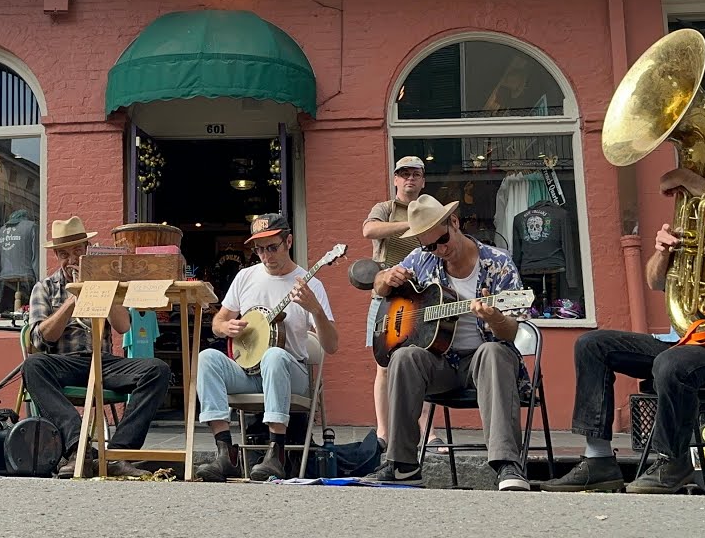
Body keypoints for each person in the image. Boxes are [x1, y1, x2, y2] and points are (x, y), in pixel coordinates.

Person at [541, 156, 705, 494]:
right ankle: (598, 459)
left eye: (703, 183)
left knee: (672, 363)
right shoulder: (694, 225)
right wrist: (663, 252)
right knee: (592, 344)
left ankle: (673, 463)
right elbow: (656, 281)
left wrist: (687, 176)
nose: (693, 192)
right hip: (688, 340)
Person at [363, 195, 531, 491]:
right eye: (429, 246)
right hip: (440, 364)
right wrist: (386, 277)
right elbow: (378, 288)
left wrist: (494, 318)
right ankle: (402, 465)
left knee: (492, 350)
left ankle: (507, 465)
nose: (439, 250)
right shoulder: (421, 260)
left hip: (484, 366)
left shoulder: (498, 263)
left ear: (454, 223)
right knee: (403, 357)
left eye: (442, 240)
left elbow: (510, 332)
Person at [22, 216, 171, 478]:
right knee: (32, 365)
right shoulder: (44, 287)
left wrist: (103, 287)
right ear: (57, 256)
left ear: (88, 250)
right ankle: (79, 448)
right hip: (64, 362)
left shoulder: (105, 280)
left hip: (102, 361)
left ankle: (119, 454)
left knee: (157, 369)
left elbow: (124, 326)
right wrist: (74, 298)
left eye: (78, 251)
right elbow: (39, 339)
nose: (72, 259)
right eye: (65, 254)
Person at [195, 213, 339, 482]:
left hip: (290, 372)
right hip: (249, 373)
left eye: (272, 247)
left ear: (289, 241)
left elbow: (331, 345)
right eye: (259, 249)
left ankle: (276, 453)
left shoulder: (311, 284)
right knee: (207, 358)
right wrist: (225, 327)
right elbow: (218, 322)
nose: (265, 256)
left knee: (274, 356)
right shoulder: (245, 277)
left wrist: (315, 310)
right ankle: (225, 452)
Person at [361, 155, 434, 455]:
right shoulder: (385, 208)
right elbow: (369, 230)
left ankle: (428, 434)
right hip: (385, 295)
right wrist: (411, 223)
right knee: (384, 367)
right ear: (394, 179)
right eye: (404, 174)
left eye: (416, 174)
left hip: (421, 295)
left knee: (426, 360)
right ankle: (383, 432)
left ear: (423, 180)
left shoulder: (430, 206)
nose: (410, 179)